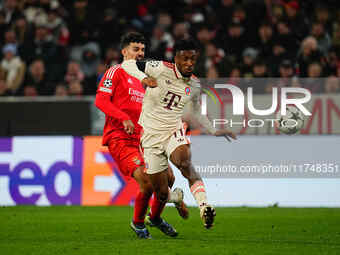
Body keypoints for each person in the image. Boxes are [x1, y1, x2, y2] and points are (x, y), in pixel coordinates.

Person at [121, 38, 237, 229]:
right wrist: (142, 78)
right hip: (150, 136)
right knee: (160, 193)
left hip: (174, 130)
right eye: (185, 59)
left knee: (184, 162)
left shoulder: (195, 85)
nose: (189, 63)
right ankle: (164, 208)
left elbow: (197, 111)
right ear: (176, 58)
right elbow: (128, 64)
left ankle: (204, 206)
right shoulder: (158, 68)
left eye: (193, 59)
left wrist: (214, 130)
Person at [95, 32, 187, 239]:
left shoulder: (143, 79)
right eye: (136, 49)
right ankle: (138, 223)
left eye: (143, 50)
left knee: (169, 178)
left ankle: (154, 218)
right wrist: (123, 118)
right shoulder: (116, 71)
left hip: (143, 139)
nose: (140, 54)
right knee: (146, 181)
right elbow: (101, 100)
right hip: (120, 138)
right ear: (124, 51)